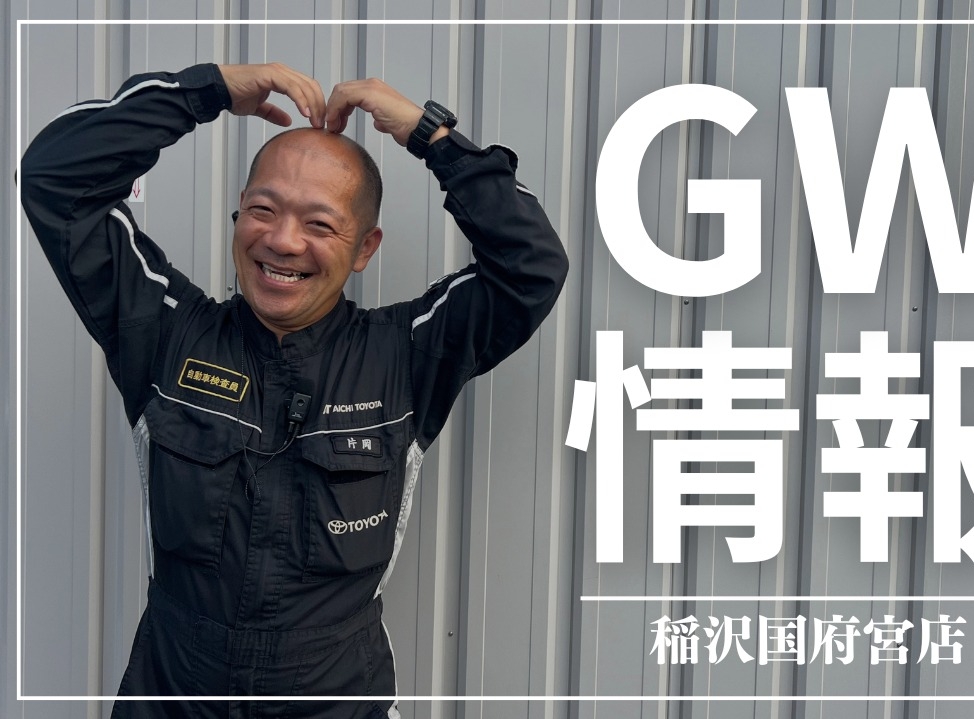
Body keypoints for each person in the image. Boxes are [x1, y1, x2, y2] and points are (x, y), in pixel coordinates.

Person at [20, 61, 567, 719]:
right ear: (238, 216)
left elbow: (531, 266)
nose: (282, 241)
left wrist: (432, 137)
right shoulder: (163, 333)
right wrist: (204, 92)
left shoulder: (408, 355)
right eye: (263, 210)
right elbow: (55, 178)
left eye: (319, 224)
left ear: (364, 248)